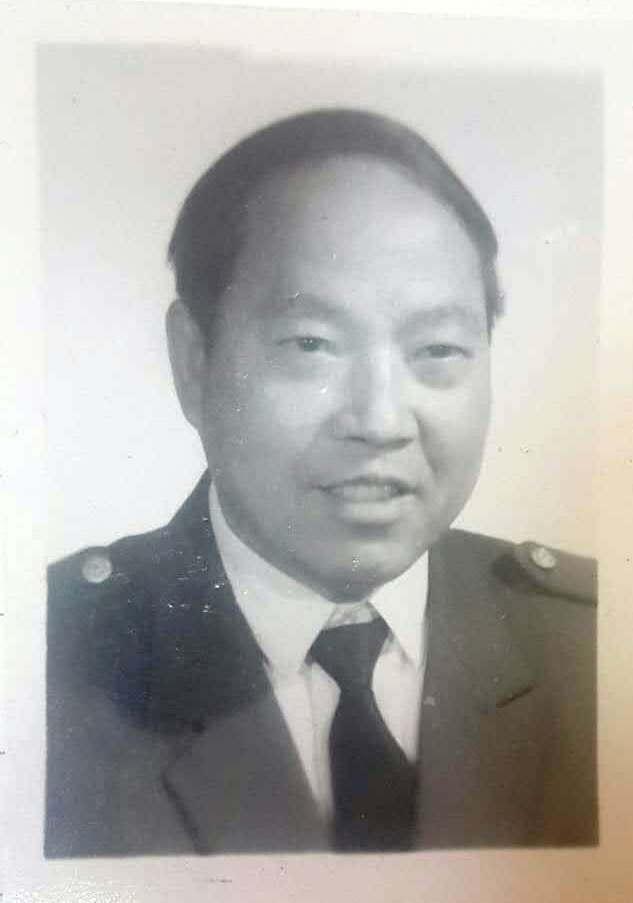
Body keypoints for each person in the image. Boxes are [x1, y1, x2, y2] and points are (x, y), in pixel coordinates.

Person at [45, 109, 597, 857]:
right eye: (312, 344)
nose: (380, 421)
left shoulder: (592, 643)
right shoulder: (50, 662)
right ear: (193, 363)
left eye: (438, 349)